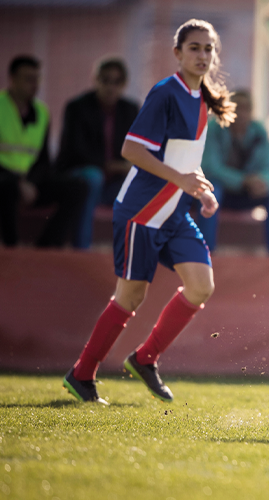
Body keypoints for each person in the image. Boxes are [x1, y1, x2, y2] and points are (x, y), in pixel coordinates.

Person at [62, 19, 234, 404]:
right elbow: (131, 151)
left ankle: (145, 358)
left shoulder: (203, 98)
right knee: (130, 297)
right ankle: (82, 373)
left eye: (208, 49)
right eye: (194, 48)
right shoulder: (165, 94)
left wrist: (200, 190)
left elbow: (187, 160)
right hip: (142, 211)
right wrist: (182, 181)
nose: (202, 55)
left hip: (175, 212)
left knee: (201, 285)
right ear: (177, 53)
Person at [0, 55, 88, 248]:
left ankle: (47, 246)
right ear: (12, 79)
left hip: (30, 182)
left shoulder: (41, 112)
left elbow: (44, 160)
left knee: (79, 187)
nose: (34, 84)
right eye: (28, 79)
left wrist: (30, 182)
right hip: (5, 180)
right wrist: (18, 182)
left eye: (37, 78)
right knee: (7, 187)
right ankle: (11, 246)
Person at [56, 57, 140, 250]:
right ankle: (82, 248)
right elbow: (76, 152)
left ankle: (132, 252)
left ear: (124, 84)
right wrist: (115, 166)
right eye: (106, 80)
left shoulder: (129, 109)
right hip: (80, 175)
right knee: (93, 178)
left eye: (116, 82)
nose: (111, 87)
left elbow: (139, 147)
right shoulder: (77, 107)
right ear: (96, 80)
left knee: (139, 182)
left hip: (114, 181)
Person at [196, 90, 269, 255]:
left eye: (246, 108)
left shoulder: (259, 132)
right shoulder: (214, 129)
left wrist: (262, 181)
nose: (241, 113)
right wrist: (243, 181)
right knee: (211, 192)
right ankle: (206, 253)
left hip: (248, 193)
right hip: (222, 190)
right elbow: (210, 168)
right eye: (237, 108)